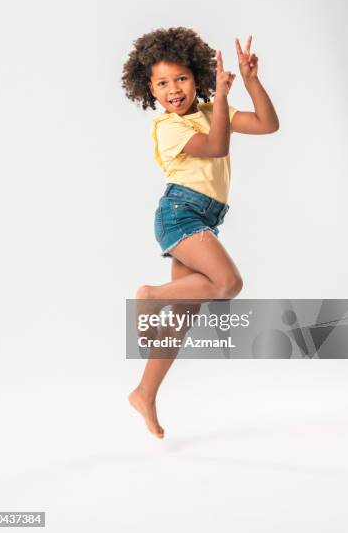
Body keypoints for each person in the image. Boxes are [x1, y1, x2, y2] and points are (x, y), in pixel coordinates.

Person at [121, 26, 279, 438]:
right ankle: (150, 296)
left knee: (184, 315)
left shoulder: (209, 111)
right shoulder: (168, 127)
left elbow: (267, 124)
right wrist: (223, 100)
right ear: (149, 90)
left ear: (196, 77)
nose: (173, 89)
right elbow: (216, 148)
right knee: (228, 283)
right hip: (181, 215)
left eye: (181, 78)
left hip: (203, 218)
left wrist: (249, 81)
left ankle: (145, 391)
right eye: (162, 83)